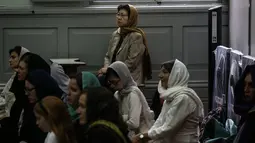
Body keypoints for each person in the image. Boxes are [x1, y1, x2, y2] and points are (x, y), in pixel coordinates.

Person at [132, 59, 204, 143]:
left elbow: (168, 128)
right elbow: (160, 122)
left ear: (176, 75)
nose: (160, 75)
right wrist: (146, 136)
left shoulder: (183, 98)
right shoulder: (171, 96)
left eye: (165, 72)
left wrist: (142, 136)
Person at [98, 4, 152, 85]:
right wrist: (106, 68)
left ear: (131, 18)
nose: (119, 18)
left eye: (123, 15)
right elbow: (108, 56)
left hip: (128, 78)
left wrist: (110, 70)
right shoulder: (115, 34)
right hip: (112, 75)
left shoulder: (136, 36)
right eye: (118, 14)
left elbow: (131, 63)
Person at [106, 61, 154, 139]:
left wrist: (119, 121)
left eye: (115, 82)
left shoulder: (133, 94)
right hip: (127, 133)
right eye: (110, 82)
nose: (112, 86)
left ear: (123, 77)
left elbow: (134, 123)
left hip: (141, 135)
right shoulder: (118, 94)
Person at [20, 70, 63, 143]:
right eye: (25, 89)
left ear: (41, 88)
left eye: (29, 90)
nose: (26, 93)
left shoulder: (53, 108)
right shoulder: (31, 104)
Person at [0, 46, 29, 143]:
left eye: (13, 57)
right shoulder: (14, 77)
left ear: (22, 58)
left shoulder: (22, 80)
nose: (9, 60)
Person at [233, 64, 255, 143]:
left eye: (251, 85)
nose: (246, 89)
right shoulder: (248, 114)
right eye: (244, 84)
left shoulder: (252, 119)